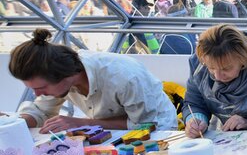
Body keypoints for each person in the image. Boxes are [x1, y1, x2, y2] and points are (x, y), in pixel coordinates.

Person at [8, 29, 177, 132]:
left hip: (160, 130)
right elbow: (41, 112)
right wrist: (12, 122)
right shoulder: (59, 76)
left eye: (42, 88)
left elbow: (145, 125)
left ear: (65, 74)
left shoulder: (124, 76)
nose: (36, 93)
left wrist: (81, 123)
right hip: (110, 132)